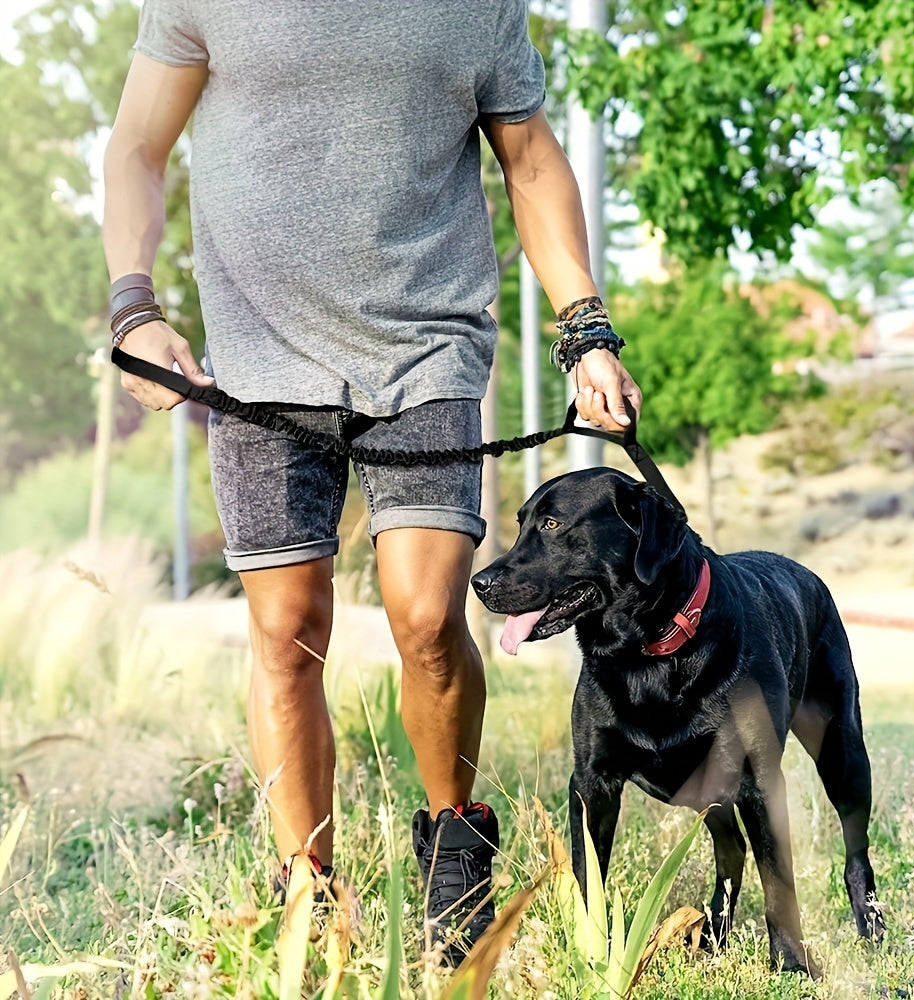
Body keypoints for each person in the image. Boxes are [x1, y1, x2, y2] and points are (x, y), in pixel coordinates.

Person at [103, 0, 642, 964]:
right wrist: (133, 310)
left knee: (429, 618)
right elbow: (137, 147)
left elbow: (529, 159)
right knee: (287, 627)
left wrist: (586, 326)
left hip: (427, 346)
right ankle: (307, 890)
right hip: (258, 363)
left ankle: (453, 854)